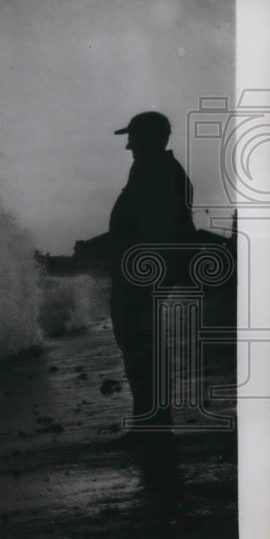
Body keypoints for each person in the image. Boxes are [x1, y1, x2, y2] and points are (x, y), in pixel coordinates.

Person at [75, 111, 195, 436]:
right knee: (140, 345)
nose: (128, 145)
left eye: (132, 138)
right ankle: (151, 422)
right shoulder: (153, 170)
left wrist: (92, 247)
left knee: (141, 345)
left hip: (144, 274)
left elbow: (144, 231)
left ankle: (152, 426)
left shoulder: (157, 172)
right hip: (143, 271)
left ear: (149, 138)